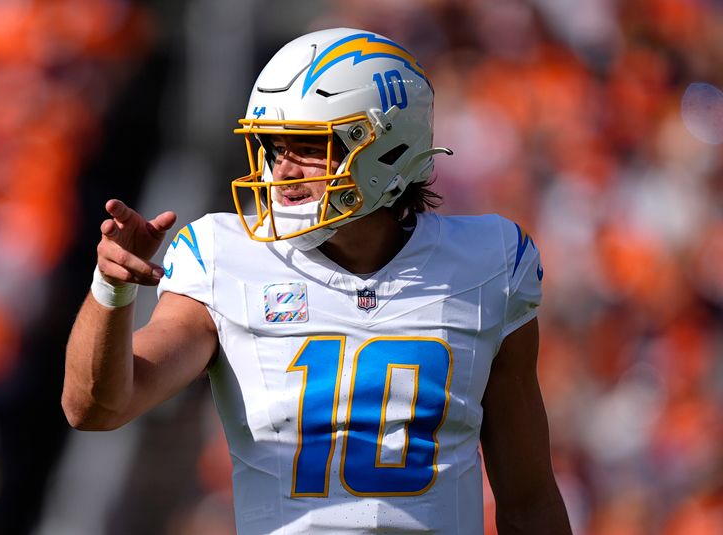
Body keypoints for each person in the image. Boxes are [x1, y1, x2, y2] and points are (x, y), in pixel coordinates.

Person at [62, 27, 572, 534]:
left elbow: (528, 498)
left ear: (388, 146)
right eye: (273, 147)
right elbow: (95, 407)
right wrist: (111, 290)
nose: (282, 171)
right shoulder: (224, 257)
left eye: (308, 146)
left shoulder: (487, 264)